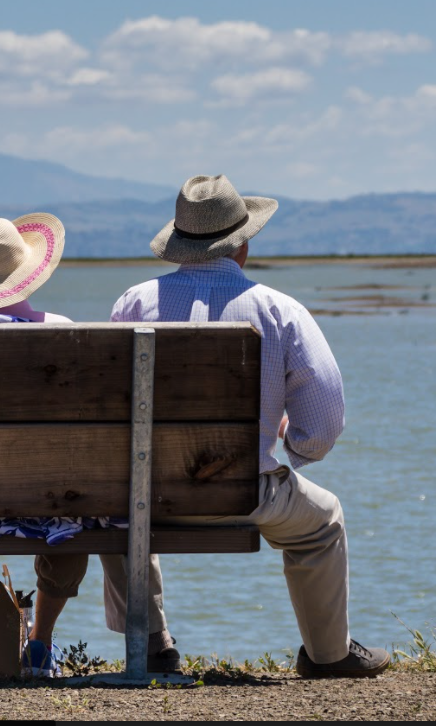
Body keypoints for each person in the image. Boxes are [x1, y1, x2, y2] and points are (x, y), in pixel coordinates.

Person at [110, 173, 390, 678]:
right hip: (245, 492)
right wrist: (289, 439)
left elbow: (110, 415)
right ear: (242, 245)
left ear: (178, 244)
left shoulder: (133, 304)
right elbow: (324, 424)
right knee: (324, 522)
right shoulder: (279, 310)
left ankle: (153, 643)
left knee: (116, 509)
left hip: (148, 496)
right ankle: (329, 655)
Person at [0, 214, 180, 678]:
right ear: (25, 275)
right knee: (73, 496)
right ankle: (39, 645)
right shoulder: (63, 331)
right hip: (45, 503)